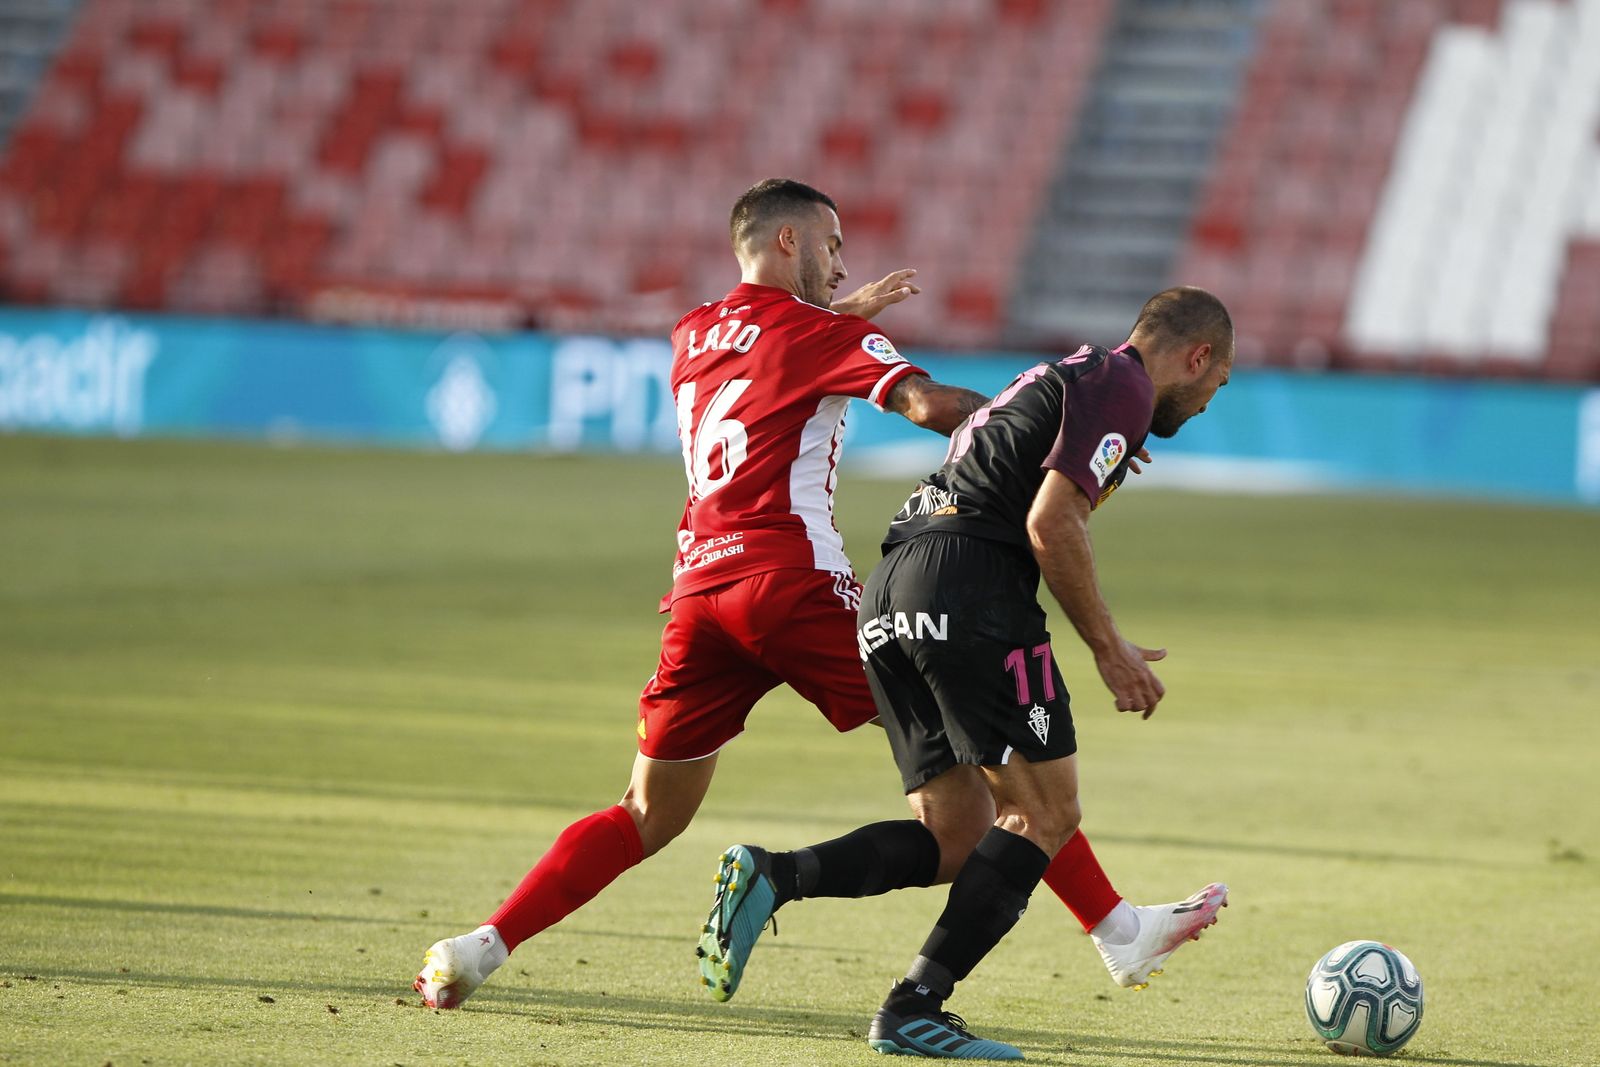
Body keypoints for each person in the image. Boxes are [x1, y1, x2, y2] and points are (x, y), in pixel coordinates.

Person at [413, 177, 990, 1009]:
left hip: (699, 594)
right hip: (791, 585)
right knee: (984, 759)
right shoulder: (819, 332)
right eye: (831, 245)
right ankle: (1114, 924)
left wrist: (844, 313)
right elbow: (930, 405)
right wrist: (1041, 423)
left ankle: (480, 945)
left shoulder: (691, 332)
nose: (840, 263)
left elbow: (770, 348)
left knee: (647, 811)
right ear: (788, 241)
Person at [698, 286, 1235, 1059]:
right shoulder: (1120, 385)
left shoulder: (1076, 376)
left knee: (955, 832)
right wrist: (1108, 646)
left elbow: (999, 439)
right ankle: (914, 1005)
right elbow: (1051, 522)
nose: (1210, 401)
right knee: (1045, 815)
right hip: (969, 587)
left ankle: (775, 875)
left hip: (893, 589)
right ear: (1197, 355)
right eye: (1215, 384)